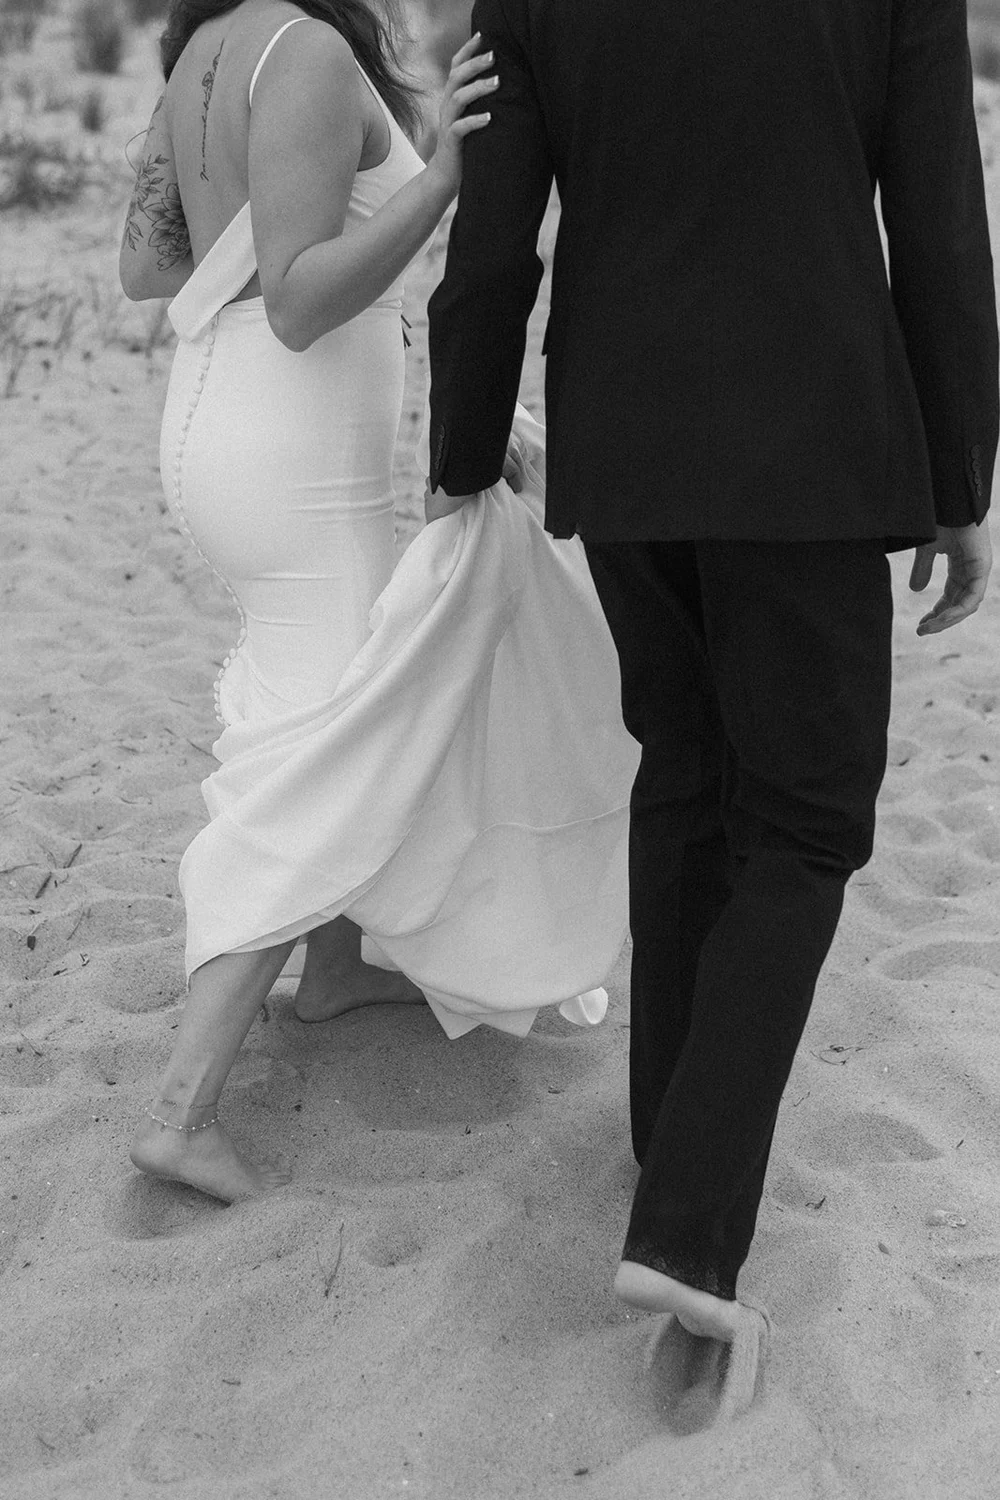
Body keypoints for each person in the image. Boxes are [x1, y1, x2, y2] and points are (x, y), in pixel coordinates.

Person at [427, 0, 998, 1374]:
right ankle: (685, 1230)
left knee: (686, 784)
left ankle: (664, 1149)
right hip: (811, 443)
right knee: (805, 822)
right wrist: (958, 479)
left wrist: (457, 455)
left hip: (624, 446)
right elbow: (939, 227)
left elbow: (493, 238)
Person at [119, 0, 638, 1204]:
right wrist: (443, 179)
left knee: (318, 703)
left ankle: (339, 969)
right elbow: (301, 306)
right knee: (336, 747)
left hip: (220, 424)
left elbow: (149, 264)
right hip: (285, 451)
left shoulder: (204, 48)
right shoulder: (300, 53)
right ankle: (181, 1108)